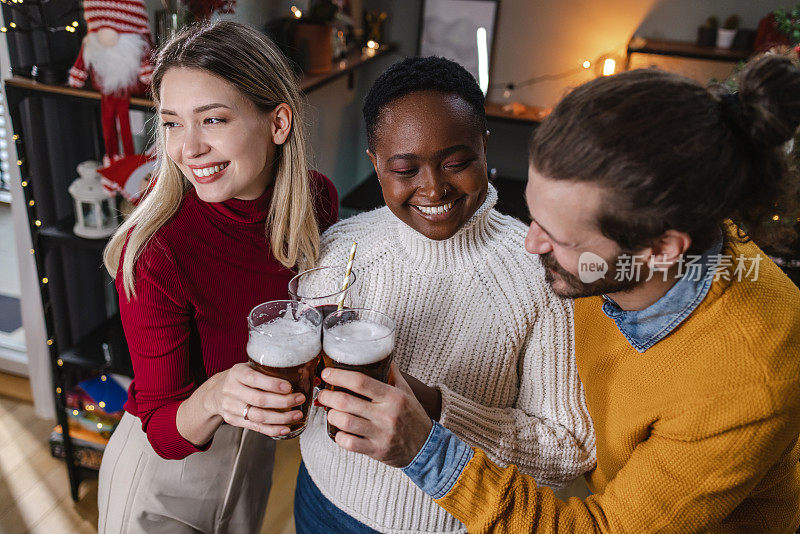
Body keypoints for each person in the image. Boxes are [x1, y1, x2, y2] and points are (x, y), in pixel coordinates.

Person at [318, 53, 800, 531]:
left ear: (660, 250)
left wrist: (427, 450)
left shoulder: (747, 378)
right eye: (535, 216)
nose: (530, 244)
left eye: (559, 237)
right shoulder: (639, 233)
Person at [294, 56, 595, 533]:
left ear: (484, 146)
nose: (433, 187)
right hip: (322, 501)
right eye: (405, 169)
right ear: (375, 163)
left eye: (456, 162)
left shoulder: (541, 277)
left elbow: (568, 449)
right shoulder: (339, 248)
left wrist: (434, 409)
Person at [97, 21, 338, 533]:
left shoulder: (317, 201)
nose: (188, 149)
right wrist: (215, 393)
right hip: (161, 480)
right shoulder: (157, 251)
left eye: (212, 119)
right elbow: (162, 428)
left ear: (278, 123)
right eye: (172, 124)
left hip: (251, 466)